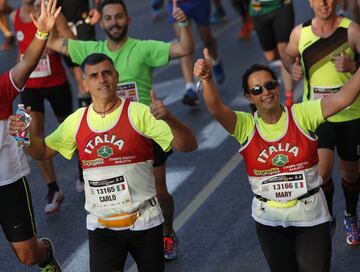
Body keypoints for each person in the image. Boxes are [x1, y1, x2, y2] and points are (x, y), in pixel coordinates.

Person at [10, 52, 198, 272]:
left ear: (116, 77)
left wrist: (170, 118)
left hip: (145, 222)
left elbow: (188, 145)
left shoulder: (139, 113)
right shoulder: (77, 121)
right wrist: (22, 136)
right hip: (102, 226)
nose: (102, 80)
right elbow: (42, 151)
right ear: (85, 83)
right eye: (94, 75)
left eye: (107, 73)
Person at [46, 0, 194, 260]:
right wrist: (49, 25)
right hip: (110, 134)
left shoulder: (143, 48)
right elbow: (53, 43)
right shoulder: (91, 51)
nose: (114, 23)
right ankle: (119, 237)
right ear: (100, 22)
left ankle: (167, 232)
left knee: (158, 191)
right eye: (109, 18)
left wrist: (182, 22)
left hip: (145, 130)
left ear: (128, 19)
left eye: (119, 17)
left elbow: (184, 48)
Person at [194, 48, 360, 271]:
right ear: (249, 97)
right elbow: (216, 109)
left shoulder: (301, 114)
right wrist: (207, 79)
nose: (265, 92)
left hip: (310, 216)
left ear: (278, 86)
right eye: (257, 89)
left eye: (270, 85)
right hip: (269, 221)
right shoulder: (246, 126)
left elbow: (343, 97)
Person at [282, 0, 360, 245]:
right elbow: (287, 56)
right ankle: (327, 218)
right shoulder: (300, 32)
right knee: (322, 171)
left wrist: (354, 65)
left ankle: (350, 213)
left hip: (350, 114)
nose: (324, 3)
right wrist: (292, 68)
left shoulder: (352, 30)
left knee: (350, 171)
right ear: (310, 2)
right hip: (317, 113)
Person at [1, 1, 61, 270]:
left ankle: (45, 253)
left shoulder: (1, 89)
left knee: (27, 256)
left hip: (7, 181)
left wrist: (42, 33)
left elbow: (25, 66)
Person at [10, 0, 75, 214]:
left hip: (56, 82)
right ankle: (53, 188)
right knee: (32, 135)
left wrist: (55, 44)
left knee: (71, 130)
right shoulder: (14, 17)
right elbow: (20, 51)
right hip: (29, 86)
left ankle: (85, 171)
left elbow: (73, 43)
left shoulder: (51, 13)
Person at [57, 0, 101, 192]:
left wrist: (97, 8)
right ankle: (84, 165)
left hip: (84, 22)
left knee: (90, 76)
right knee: (81, 82)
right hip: (63, 23)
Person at [167, 0, 225, 107]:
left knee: (207, 39)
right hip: (178, 4)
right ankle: (190, 88)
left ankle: (215, 59)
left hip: (199, 2)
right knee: (183, 45)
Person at [249, 0, 294, 106]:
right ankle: (292, 58)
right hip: (259, 9)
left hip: (282, 5)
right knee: (270, 56)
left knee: (284, 51)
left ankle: (289, 97)